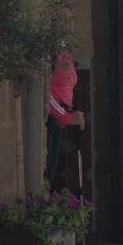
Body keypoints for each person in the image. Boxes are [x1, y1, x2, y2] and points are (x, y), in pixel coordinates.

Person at [45, 48, 86, 185]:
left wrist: (72, 114)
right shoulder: (51, 58)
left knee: (52, 166)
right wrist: (69, 118)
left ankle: (44, 198)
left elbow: (67, 88)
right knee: (46, 165)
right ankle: (38, 200)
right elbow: (48, 96)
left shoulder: (67, 57)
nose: (66, 57)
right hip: (51, 120)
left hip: (60, 121)